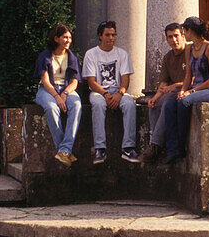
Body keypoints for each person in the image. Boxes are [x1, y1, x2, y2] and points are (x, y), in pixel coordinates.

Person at [161, 16, 209, 165]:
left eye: (184, 30)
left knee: (184, 102)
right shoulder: (189, 48)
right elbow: (188, 75)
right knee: (170, 105)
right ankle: (172, 150)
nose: (184, 34)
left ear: (190, 31)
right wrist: (183, 90)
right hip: (195, 89)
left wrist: (191, 92)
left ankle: (181, 147)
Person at [82, 20, 139, 164]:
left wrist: (119, 94)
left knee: (130, 104)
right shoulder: (91, 54)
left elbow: (125, 79)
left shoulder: (122, 54)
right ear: (100, 36)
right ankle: (100, 149)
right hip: (99, 92)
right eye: (107, 35)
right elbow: (91, 81)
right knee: (98, 104)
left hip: (117, 92)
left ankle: (128, 148)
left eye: (113, 35)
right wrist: (106, 95)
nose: (111, 38)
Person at [34, 23, 82, 167]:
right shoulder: (45, 56)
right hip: (47, 90)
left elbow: (75, 82)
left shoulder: (72, 57)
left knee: (77, 105)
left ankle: (64, 150)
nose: (68, 40)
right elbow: (46, 82)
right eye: (65, 37)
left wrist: (65, 94)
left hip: (67, 89)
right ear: (56, 38)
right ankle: (64, 150)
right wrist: (57, 96)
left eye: (70, 37)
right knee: (51, 108)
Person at [140, 22, 189, 164]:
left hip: (186, 91)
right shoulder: (168, 57)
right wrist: (154, 97)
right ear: (166, 39)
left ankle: (155, 145)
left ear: (182, 36)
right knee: (154, 105)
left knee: (167, 101)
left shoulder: (190, 52)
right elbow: (163, 83)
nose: (174, 40)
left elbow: (192, 80)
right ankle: (157, 145)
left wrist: (175, 86)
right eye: (170, 37)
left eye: (176, 36)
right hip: (172, 92)